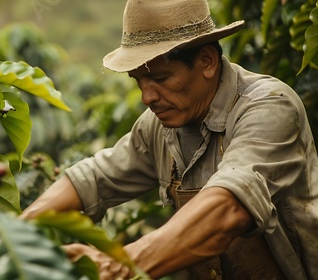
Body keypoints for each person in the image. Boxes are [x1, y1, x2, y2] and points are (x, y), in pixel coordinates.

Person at [20, 0, 318, 279]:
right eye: (139, 81)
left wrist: (117, 267)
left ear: (206, 62)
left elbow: (230, 207)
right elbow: (95, 177)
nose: (146, 97)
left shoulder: (270, 107)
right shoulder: (162, 126)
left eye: (160, 79)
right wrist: (17, 231)